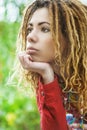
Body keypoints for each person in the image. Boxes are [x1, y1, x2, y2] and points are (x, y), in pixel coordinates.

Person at [12, 0, 87, 129]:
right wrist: (47, 75)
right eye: (29, 29)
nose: (30, 37)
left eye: (44, 29)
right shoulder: (50, 83)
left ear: (70, 37)